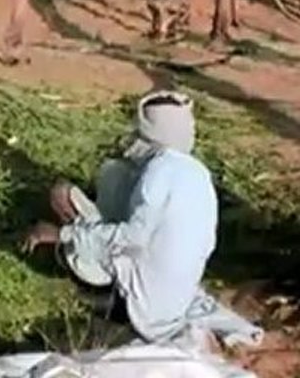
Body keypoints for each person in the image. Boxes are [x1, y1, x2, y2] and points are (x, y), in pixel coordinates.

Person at [23, 90, 218, 343]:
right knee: (116, 176)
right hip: (178, 295)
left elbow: (133, 237)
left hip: (145, 307)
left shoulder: (159, 171)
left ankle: (105, 293)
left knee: (62, 195)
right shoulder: (197, 172)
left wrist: (60, 234)